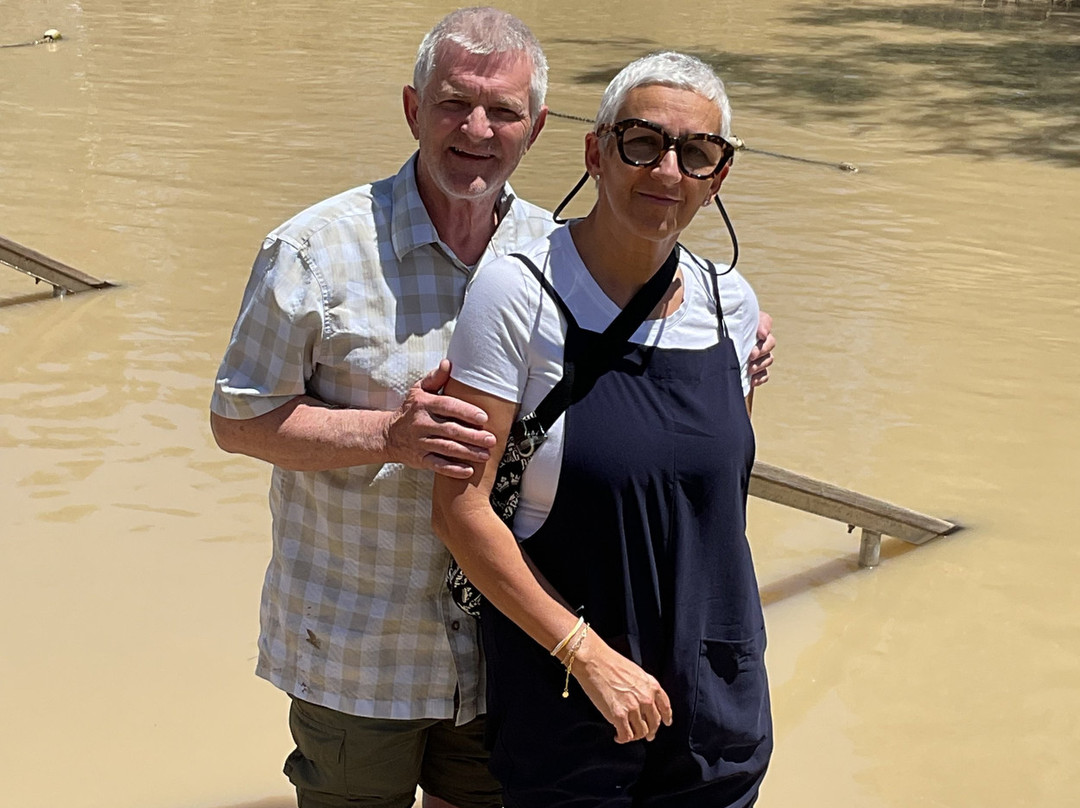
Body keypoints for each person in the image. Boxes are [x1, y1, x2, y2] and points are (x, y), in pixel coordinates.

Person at [211, 7, 773, 807]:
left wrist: (724, 340)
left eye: (503, 111)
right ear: (414, 109)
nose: (476, 130)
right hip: (359, 646)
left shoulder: (560, 258)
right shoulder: (314, 250)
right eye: (454, 104)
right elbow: (236, 420)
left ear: (536, 129)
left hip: (503, 654)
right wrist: (388, 434)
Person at [431, 51, 771, 807]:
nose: (667, 171)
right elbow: (459, 510)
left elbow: (718, 507)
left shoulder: (732, 305)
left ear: (719, 175)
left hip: (717, 711)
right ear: (595, 151)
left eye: (697, 153)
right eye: (642, 143)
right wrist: (586, 655)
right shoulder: (517, 292)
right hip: (571, 707)